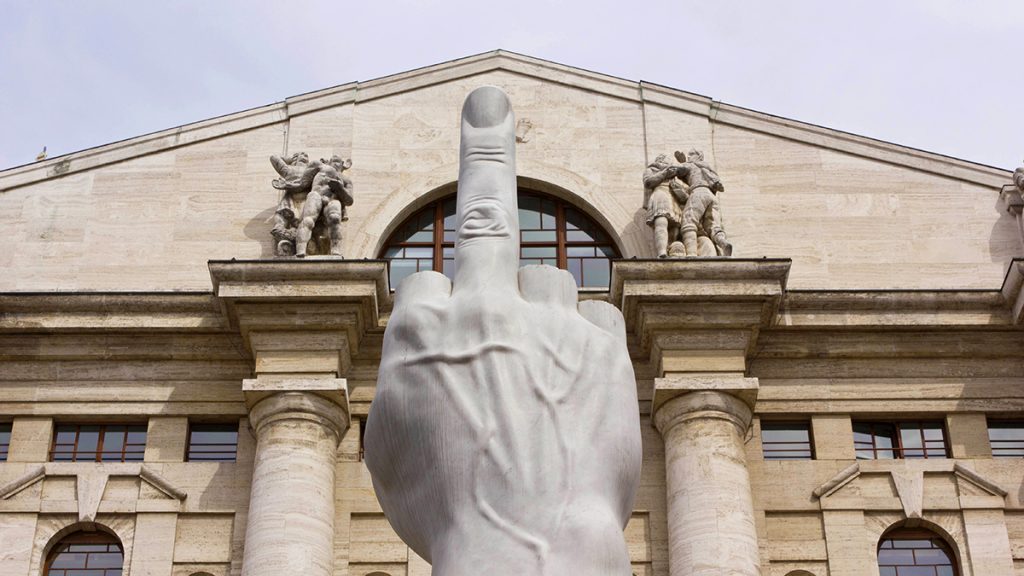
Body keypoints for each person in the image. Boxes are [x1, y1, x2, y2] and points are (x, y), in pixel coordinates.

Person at [672, 149, 732, 257]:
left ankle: (691, 254)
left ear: (699, 156)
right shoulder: (707, 168)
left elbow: (678, 170)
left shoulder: (692, 165)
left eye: (691, 154)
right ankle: (723, 243)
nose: (689, 156)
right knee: (713, 226)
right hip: (711, 196)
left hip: (698, 193)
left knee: (688, 221)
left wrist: (682, 161)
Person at [293, 155, 354, 257]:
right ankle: (301, 249)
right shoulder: (320, 167)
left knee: (335, 218)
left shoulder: (346, 180)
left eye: (338, 162)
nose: (335, 163)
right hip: (316, 195)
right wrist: (289, 185)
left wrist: (339, 189)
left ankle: (335, 250)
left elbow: (349, 201)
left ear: (343, 165)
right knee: (308, 220)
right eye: (333, 161)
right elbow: (303, 182)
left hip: (333, 199)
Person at [643, 154, 685, 258]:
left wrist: (678, 188)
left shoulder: (675, 175)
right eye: (666, 161)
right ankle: (662, 251)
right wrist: (665, 173)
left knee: (675, 229)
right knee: (661, 222)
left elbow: (685, 192)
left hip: (673, 198)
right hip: (660, 194)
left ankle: (671, 250)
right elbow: (648, 182)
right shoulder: (652, 169)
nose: (668, 163)